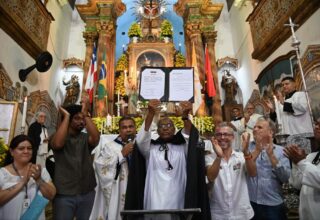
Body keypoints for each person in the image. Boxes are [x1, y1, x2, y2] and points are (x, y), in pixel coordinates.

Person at [125, 99, 211, 220]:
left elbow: (190, 135)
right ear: (157, 131)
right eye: (162, 126)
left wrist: (185, 116)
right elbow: (141, 139)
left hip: (178, 193)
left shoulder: (182, 146)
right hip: (155, 195)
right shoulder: (150, 148)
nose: (165, 128)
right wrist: (150, 113)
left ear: (175, 129)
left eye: (169, 125)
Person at [50, 97, 100, 220]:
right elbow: (57, 144)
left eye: (82, 119)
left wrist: (85, 115)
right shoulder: (57, 137)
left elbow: (96, 139)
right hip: (64, 193)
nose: (81, 122)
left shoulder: (84, 137)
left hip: (86, 191)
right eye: (77, 118)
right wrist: (66, 116)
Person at [205, 122, 255, 219]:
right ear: (214, 138)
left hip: (242, 214)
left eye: (226, 134)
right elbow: (211, 177)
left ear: (232, 137)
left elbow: (253, 173)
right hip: (219, 215)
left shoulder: (241, 156)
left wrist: (246, 152)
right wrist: (219, 157)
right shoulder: (209, 158)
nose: (222, 137)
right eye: (219, 134)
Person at [90, 116, 136, 220]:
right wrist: (121, 155)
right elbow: (100, 165)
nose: (128, 130)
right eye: (124, 127)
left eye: (131, 127)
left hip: (137, 188)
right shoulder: (110, 147)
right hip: (119, 189)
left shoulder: (140, 144)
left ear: (135, 128)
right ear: (119, 130)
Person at [0, 135, 56, 220]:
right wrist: (22, 183)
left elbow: (51, 195)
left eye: (29, 148)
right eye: (21, 148)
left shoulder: (41, 171)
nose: (26, 151)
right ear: (11, 151)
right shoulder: (2, 173)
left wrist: (39, 180)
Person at [246, 117, 290, 220]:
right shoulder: (246, 148)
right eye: (254, 127)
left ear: (270, 132)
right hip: (250, 202)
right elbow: (243, 171)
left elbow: (285, 178)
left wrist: (271, 156)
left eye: (259, 127)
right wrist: (256, 150)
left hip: (273, 204)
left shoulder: (281, 151)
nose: (255, 129)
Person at [284, 117, 320, 220]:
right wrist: (296, 163)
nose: (316, 127)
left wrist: (301, 162)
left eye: (319, 125)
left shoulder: (305, 160)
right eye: (316, 124)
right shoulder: (311, 156)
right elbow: (297, 184)